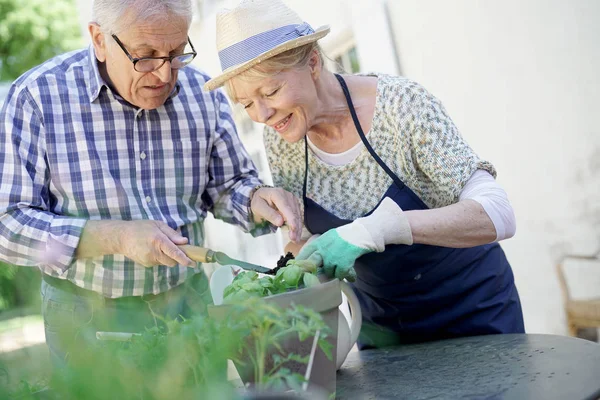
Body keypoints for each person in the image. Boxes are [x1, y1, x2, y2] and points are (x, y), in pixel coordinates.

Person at [205, 0, 525, 348]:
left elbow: (498, 214)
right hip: (381, 330)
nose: (262, 113)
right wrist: (294, 271)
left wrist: (377, 228)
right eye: (247, 104)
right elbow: (303, 240)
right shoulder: (283, 139)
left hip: (473, 312)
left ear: (312, 62)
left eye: (270, 91)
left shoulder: (400, 106)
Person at [0, 0, 302, 368]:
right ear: (99, 39)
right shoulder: (36, 97)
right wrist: (117, 237)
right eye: (145, 56)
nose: (163, 74)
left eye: (175, 53)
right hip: (84, 314)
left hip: (187, 305)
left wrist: (256, 198)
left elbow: (227, 186)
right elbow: (7, 224)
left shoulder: (202, 95)